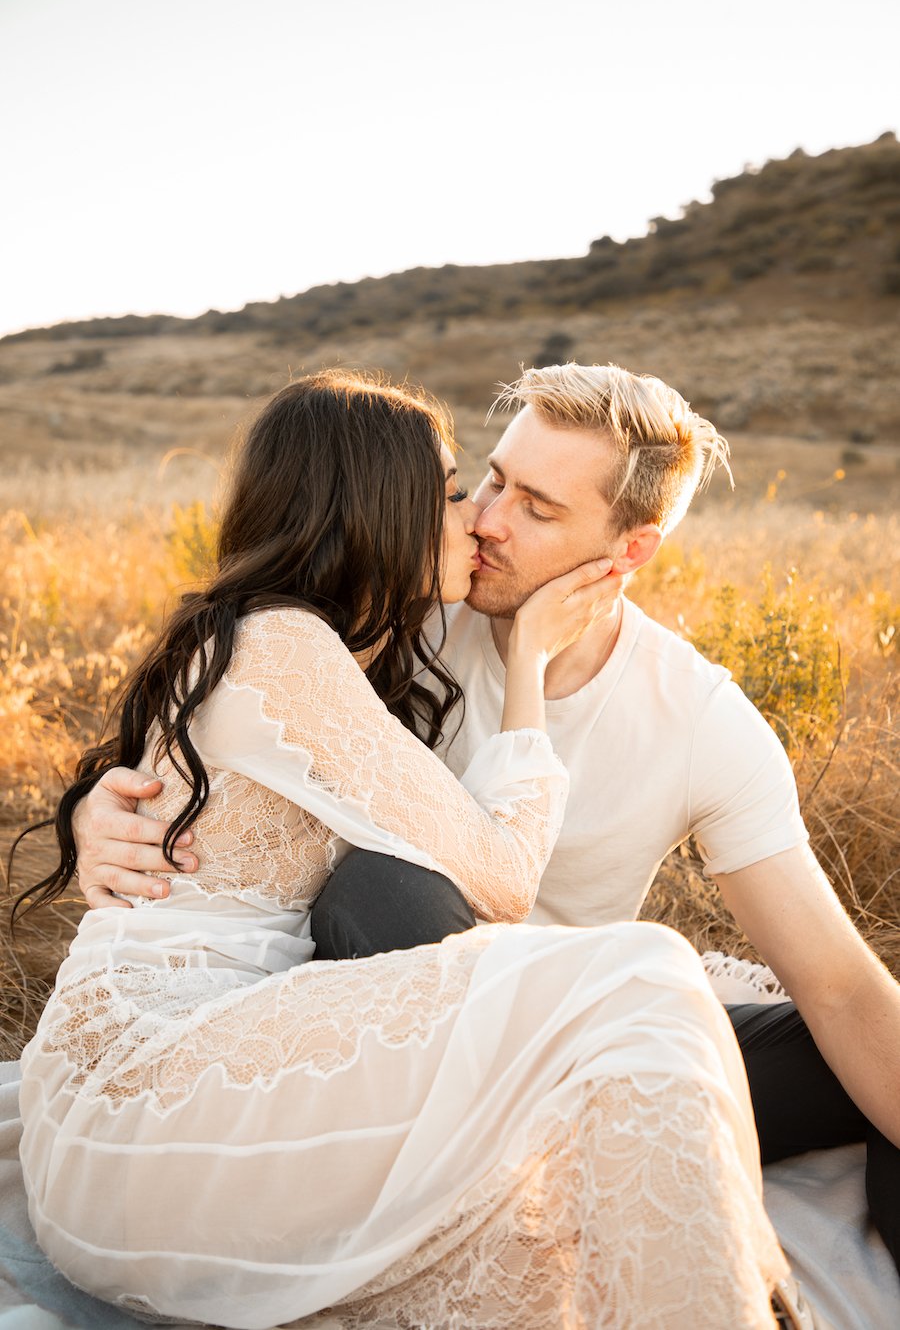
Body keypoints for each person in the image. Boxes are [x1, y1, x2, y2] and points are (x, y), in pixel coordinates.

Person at [76, 363, 900, 1276]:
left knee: (872, 1059)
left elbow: (837, 986)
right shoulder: (406, 609)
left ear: (629, 551)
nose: (488, 521)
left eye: (537, 509)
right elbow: (228, 717)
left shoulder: (701, 720)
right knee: (387, 892)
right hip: (372, 1042)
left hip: (575, 1055)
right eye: (494, 480)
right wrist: (102, 808)